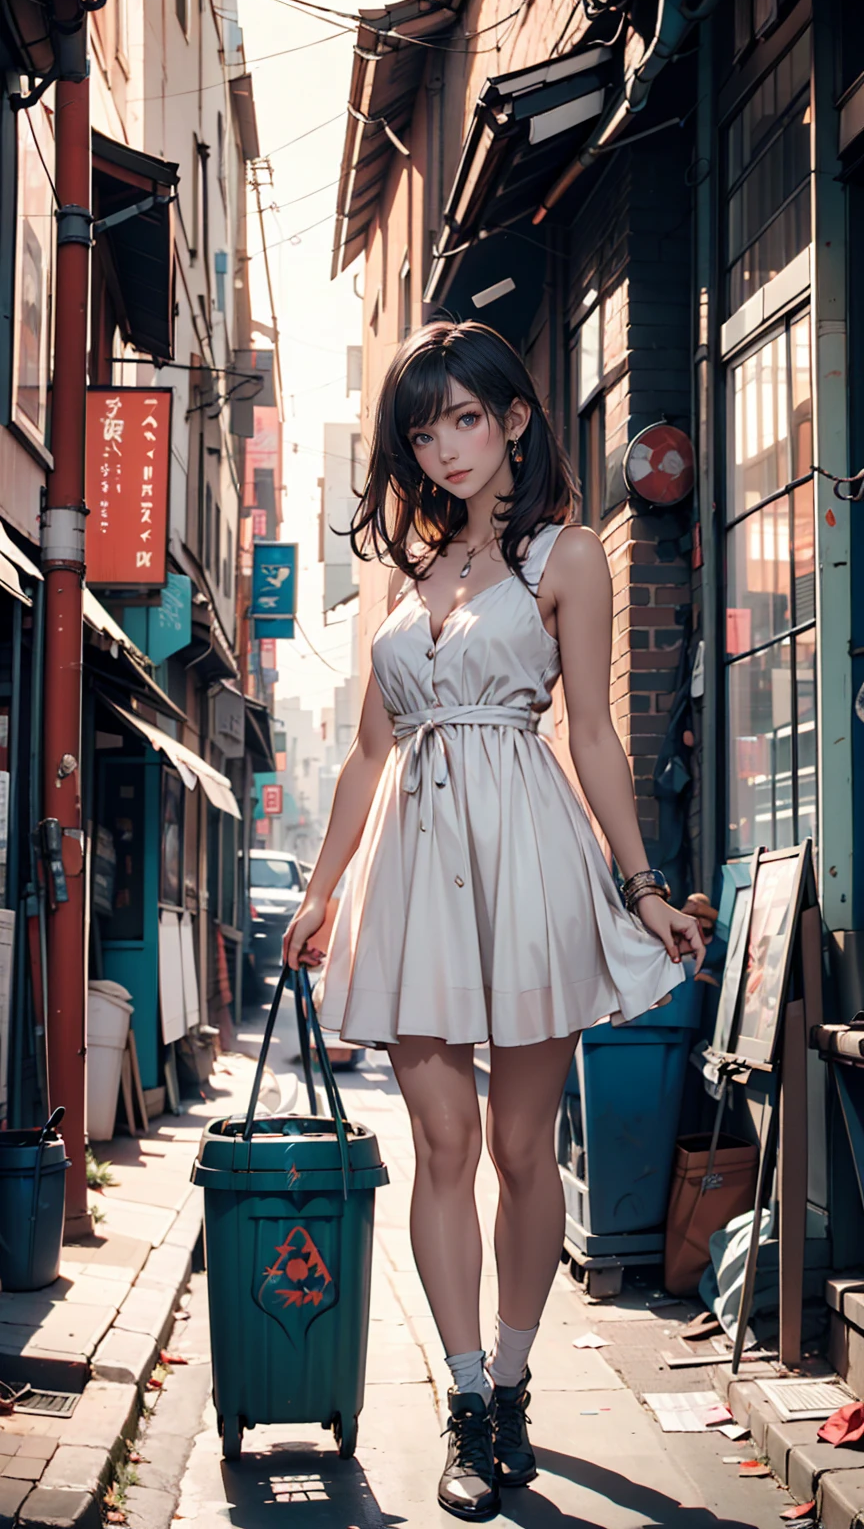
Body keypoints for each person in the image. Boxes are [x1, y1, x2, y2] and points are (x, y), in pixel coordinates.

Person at [284, 320, 704, 1520]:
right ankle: (465, 1399)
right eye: (423, 429)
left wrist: (638, 885)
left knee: (523, 1152)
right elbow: (368, 753)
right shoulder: (410, 567)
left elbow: (592, 733)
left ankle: (515, 1377)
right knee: (441, 1144)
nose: (443, 446)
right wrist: (321, 892)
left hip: (526, 861)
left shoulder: (569, 555)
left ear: (515, 418)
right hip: (413, 872)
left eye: (463, 417)